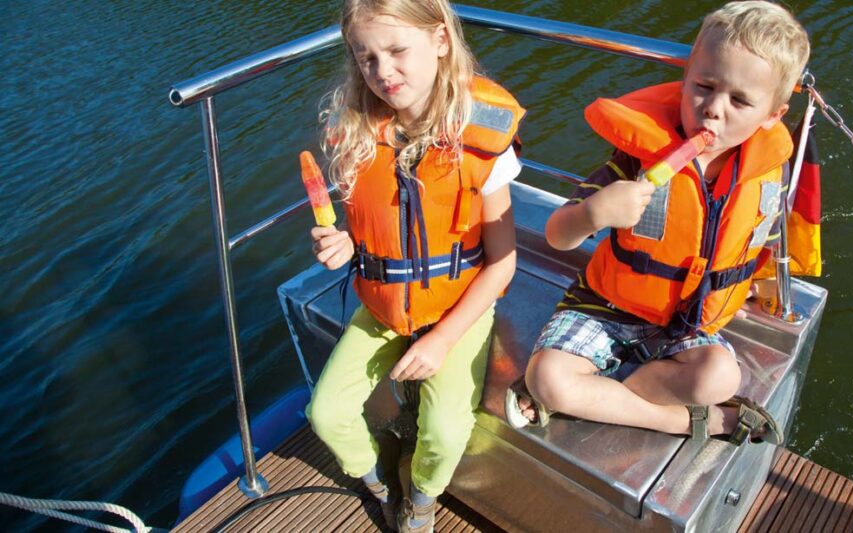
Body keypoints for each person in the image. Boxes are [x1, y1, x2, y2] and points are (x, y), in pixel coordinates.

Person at [506, 1, 810, 447]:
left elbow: (765, 236)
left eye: (740, 100)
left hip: (687, 322)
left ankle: (607, 394)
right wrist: (595, 213)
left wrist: (752, 287)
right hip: (606, 307)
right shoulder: (639, 158)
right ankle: (688, 422)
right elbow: (558, 234)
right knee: (546, 378)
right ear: (686, 79)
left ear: (772, 116)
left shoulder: (767, 174)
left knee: (721, 377)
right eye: (704, 86)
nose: (713, 110)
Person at [305, 0, 524, 531]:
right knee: (324, 413)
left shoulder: (483, 143)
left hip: (458, 307)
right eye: (366, 58)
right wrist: (344, 245)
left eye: (397, 50)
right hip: (383, 306)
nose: (383, 71)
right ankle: (381, 482)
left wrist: (442, 341)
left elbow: (503, 263)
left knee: (444, 429)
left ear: (441, 40)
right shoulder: (358, 133)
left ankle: (421, 502)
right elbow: (373, 227)